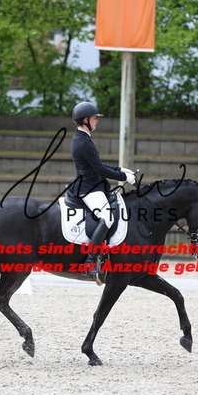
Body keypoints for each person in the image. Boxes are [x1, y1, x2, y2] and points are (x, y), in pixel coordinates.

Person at [67, 101, 136, 284]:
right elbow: (99, 169)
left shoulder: (84, 138)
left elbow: (98, 164)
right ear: (85, 120)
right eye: (94, 118)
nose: (97, 121)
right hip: (88, 188)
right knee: (108, 217)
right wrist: (123, 176)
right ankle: (90, 262)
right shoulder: (82, 142)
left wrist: (120, 169)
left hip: (93, 185)